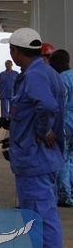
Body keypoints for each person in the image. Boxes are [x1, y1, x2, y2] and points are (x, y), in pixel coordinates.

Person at [0, 28, 65, 248]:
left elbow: (47, 106)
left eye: (10, 50)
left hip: (35, 159)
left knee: (41, 219)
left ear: (15, 51)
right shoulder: (46, 72)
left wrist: (43, 130)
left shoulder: (35, 75)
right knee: (43, 217)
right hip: (41, 159)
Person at [49, 49, 73, 207]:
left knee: (63, 159)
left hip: (66, 126)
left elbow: (59, 107)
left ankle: (65, 196)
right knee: (70, 159)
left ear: (58, 63)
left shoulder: (62, 79)